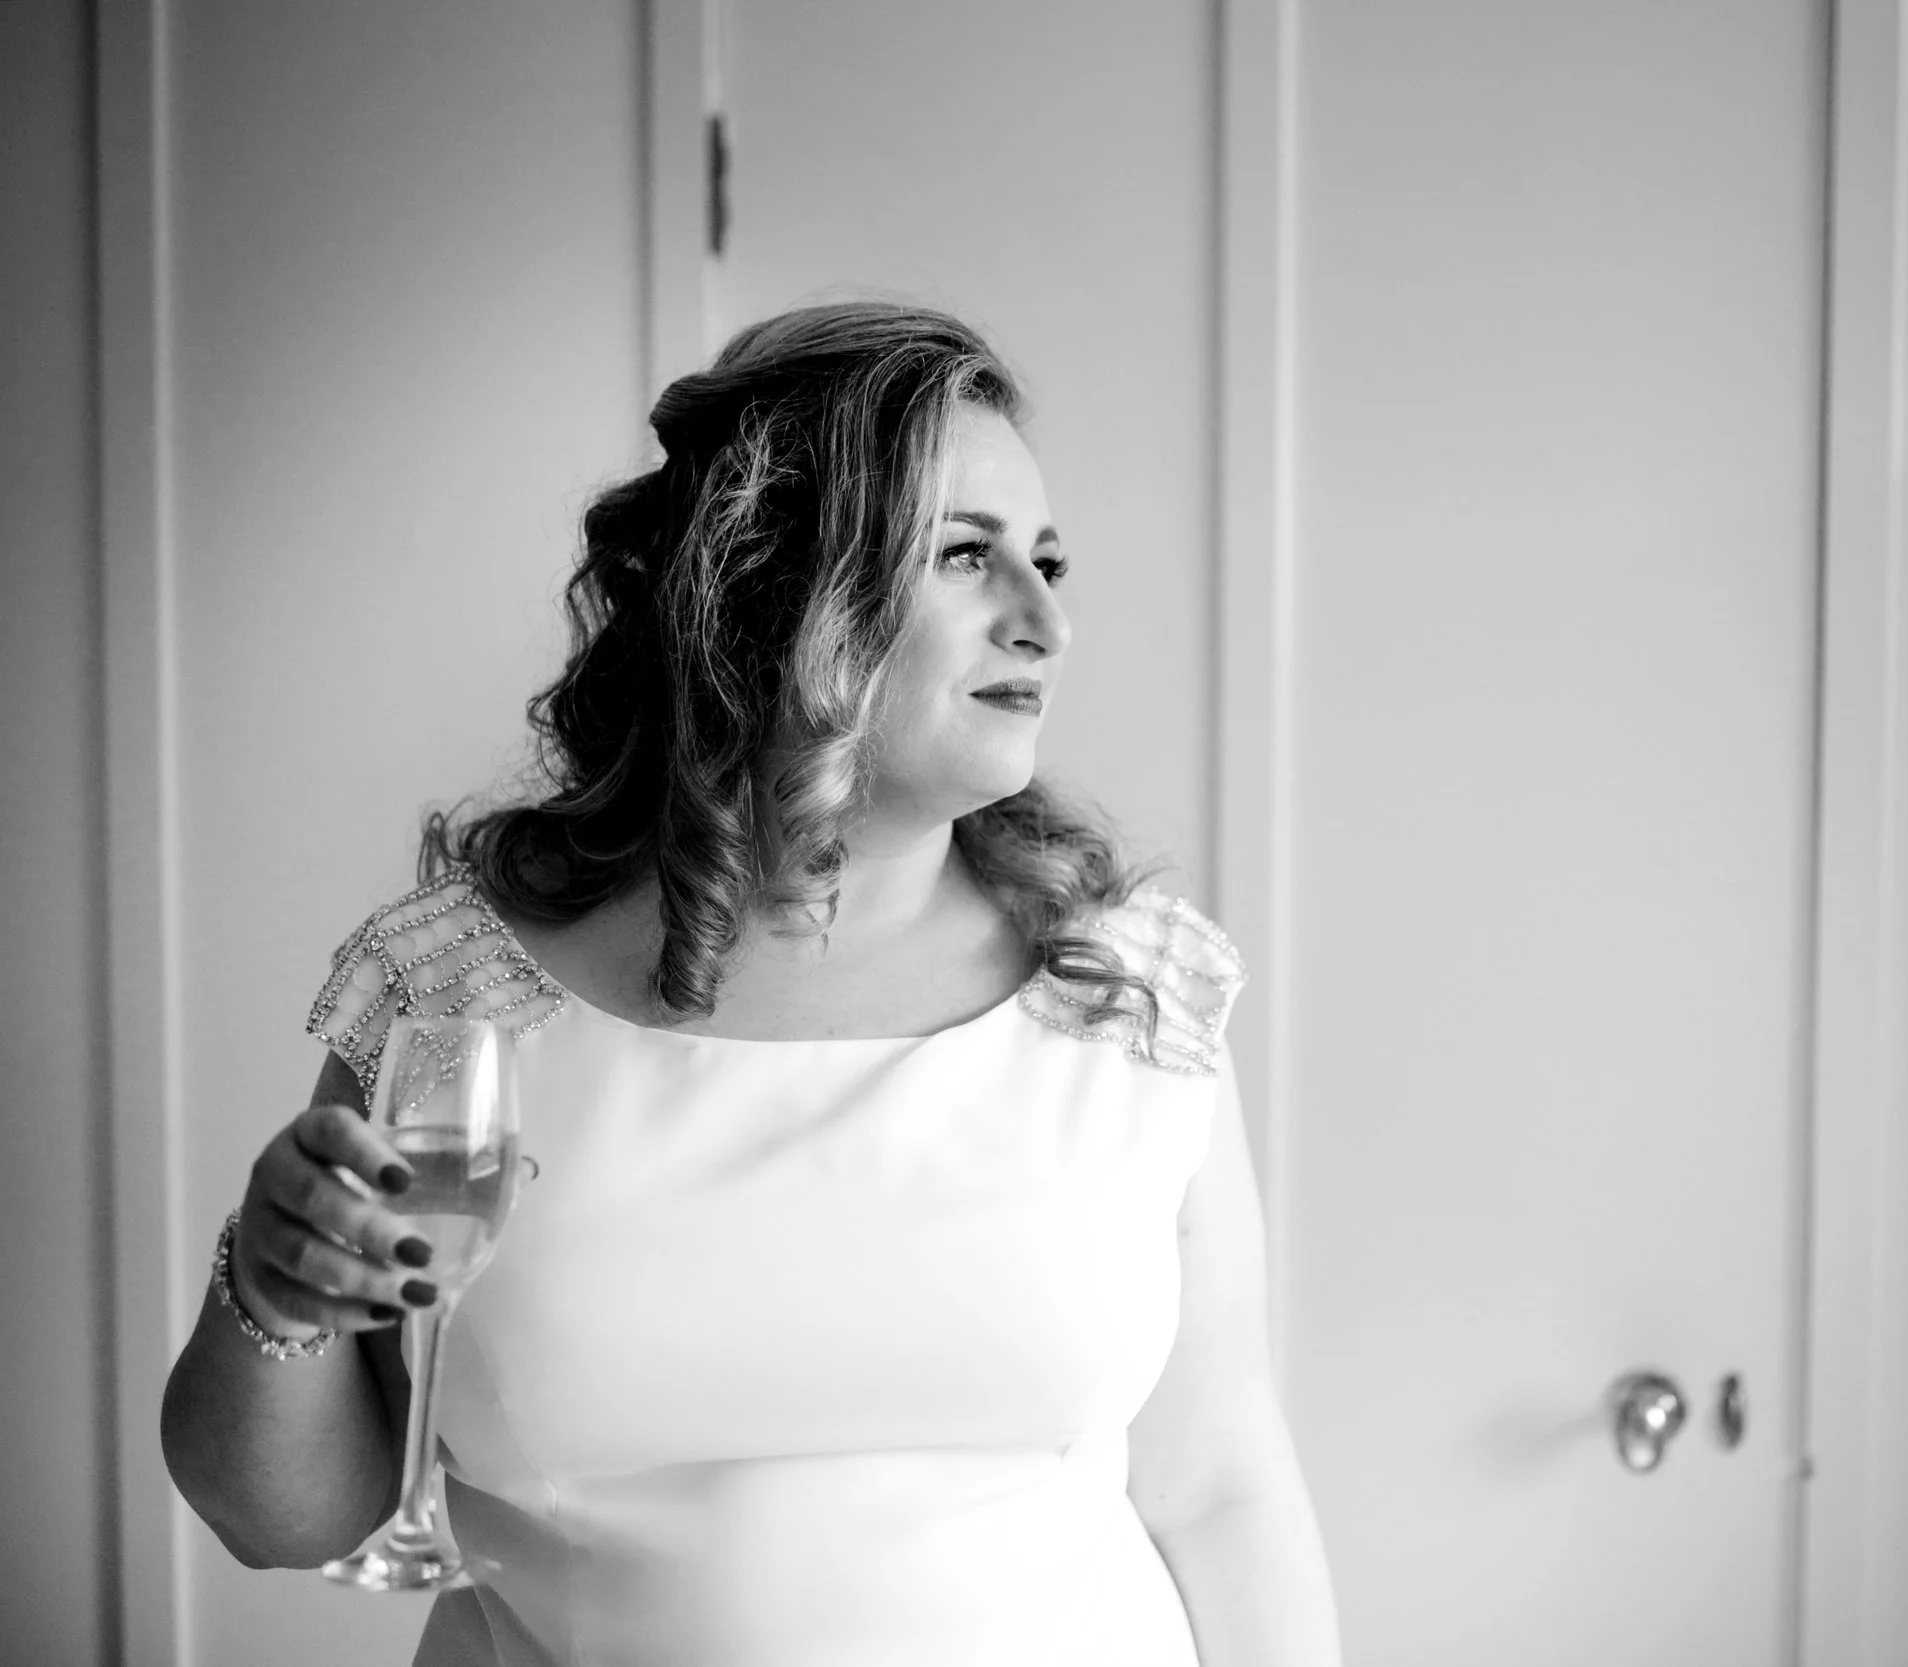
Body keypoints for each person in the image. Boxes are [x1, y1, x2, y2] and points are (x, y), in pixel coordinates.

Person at [159, 301, 1342, 1666]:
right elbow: (289, 1520)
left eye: (1050, 561)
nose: (1046, 621)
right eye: (968, 554)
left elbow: (1220, 1486)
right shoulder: (462, 995)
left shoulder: (1131, 996)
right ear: (771, 584)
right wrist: (274, 1286)